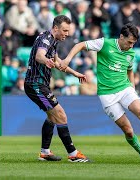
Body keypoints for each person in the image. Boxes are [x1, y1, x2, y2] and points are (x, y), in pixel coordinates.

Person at [59, 23, 140, 163]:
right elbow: (80, 45)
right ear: (121, 37)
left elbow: (130, 70)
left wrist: (133, 89)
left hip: (124, 88)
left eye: (133, 43)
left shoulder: (131, 52)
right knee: (128, 130)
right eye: (129, 42)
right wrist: (67, 60)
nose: (131, 46)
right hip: (107, 95)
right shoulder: (104, 43)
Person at [24, 15, 90, 163]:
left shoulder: (53, 41)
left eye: (68, 31)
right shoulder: (45, 39)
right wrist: (46, 60)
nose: (67, 34)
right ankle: (73, 154)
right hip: (35, 84)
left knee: (52, 117)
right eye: (65, 30)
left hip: (40, 84)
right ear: (55, 28)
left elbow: (58, 63)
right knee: (60, 114)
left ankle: (45, 152)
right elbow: (39, 55)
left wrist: (75, 73)